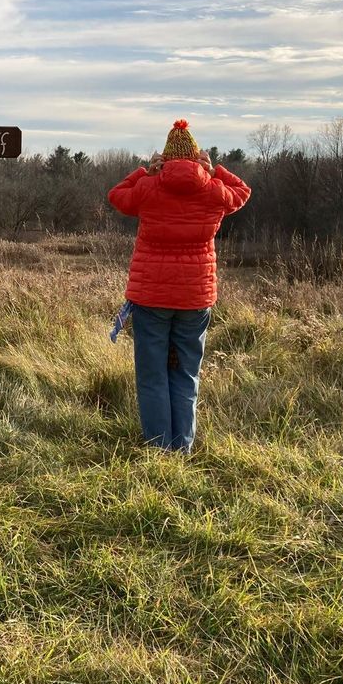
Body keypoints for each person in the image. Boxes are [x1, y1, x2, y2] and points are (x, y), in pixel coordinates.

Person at [107, 119, 251, 454]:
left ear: (166, 158)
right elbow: (243, 192)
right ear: (197, 157)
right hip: (195, 298)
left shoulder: (149, 188)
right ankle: (182, 446)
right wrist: (215, 171)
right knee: (186, 374)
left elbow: (116, 196)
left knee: (152, 374)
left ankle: (159, 449)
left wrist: (144, 171)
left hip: (151, 296)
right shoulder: (215, 190)